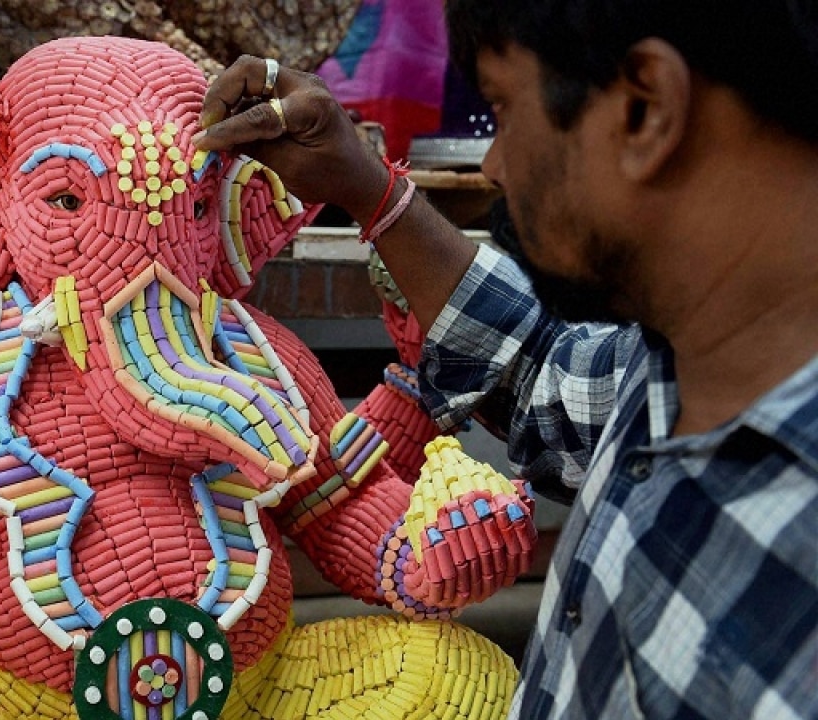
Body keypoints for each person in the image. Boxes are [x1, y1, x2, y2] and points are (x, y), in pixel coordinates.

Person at [194, 1, 818, 718]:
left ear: (647, 107)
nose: (491, 165)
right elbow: (531, 365)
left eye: (503, 108)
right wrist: (367, 185)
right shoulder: (673, 369)